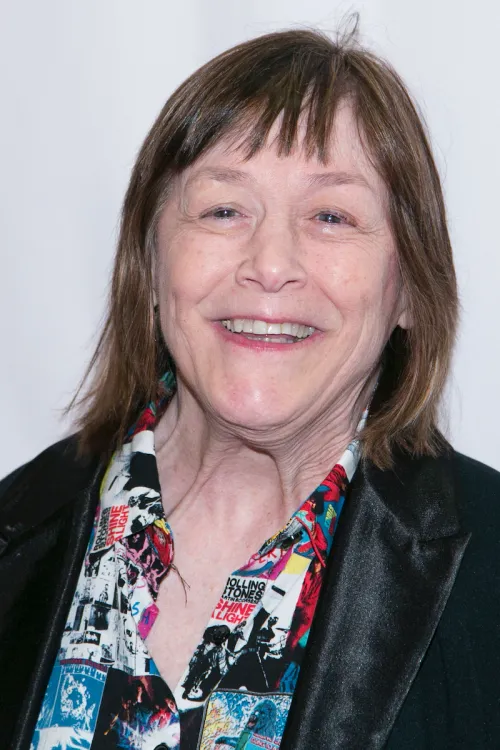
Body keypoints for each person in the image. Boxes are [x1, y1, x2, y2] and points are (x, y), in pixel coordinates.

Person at [0, 21, 499, 750]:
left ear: (410, 291)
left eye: (331, 216)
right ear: (150, 261)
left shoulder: (491, 573)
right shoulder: (16, 529)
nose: (270, 264)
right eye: (224, 210)